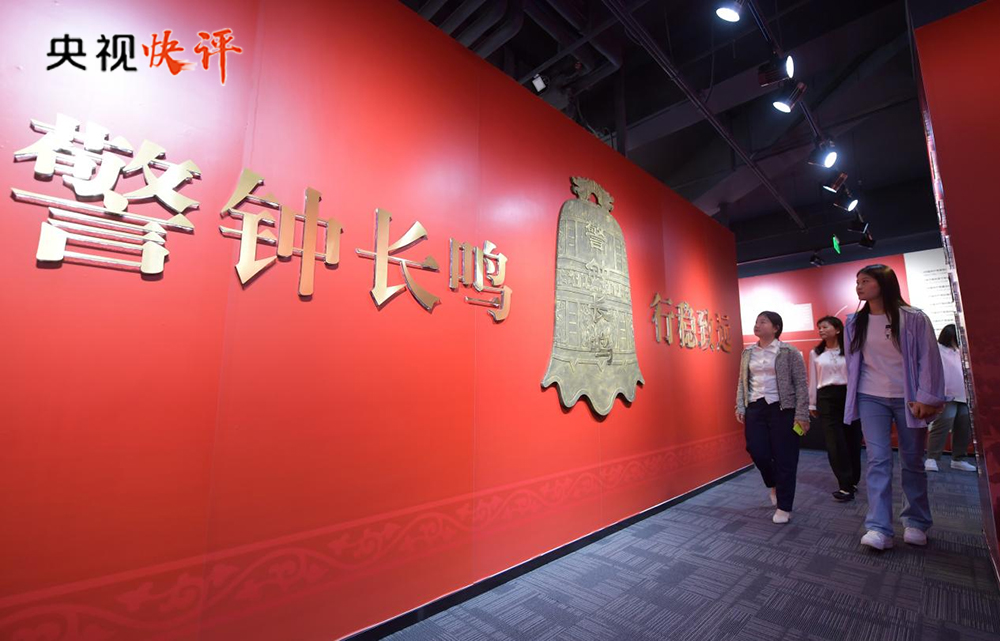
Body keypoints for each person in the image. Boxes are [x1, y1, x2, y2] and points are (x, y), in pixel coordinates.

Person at [844, 264, 945, 551]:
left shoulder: (914, 318)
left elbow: (929, 359)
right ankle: (879, 528)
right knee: (877, 460)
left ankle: (916, 522)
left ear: (884, 283)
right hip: (870, 396)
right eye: (857, 281)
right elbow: (853, 364)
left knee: (912, 461)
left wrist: (926, 397)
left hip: (908, 398)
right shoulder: (854, 322)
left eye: (865, 281)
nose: (859, 286)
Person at [736, 311, 810, 525]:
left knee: (785, 457)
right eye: (756, 321)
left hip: (783, 408)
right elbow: (742, 381)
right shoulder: (748, 352)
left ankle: (784, 506)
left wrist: (801, 414)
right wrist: (740, 405)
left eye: (763, 322)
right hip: (755, 407)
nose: (757, 325)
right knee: (757, 451)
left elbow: (801, 385)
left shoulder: (789, 352)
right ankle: (773, 484)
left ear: (776, 328)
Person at [808, 316, 863, 502]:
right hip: (826, 398)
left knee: (852, 439)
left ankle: (853, 480)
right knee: (834, 442)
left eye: (825, 327)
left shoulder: (850, 350)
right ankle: (845, 485)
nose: (821, 330)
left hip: (849, 396)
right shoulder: (815, 353)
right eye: (819, 328)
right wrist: (812, 403)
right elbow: (813, 379)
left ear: (838, 329)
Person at [925, 324, 975, 472]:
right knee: (943, 424)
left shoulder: (961, 351)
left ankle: (958, 459)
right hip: (946, 394)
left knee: (963, 427)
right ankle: (932, 458)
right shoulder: (937, 350)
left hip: (964, 394)